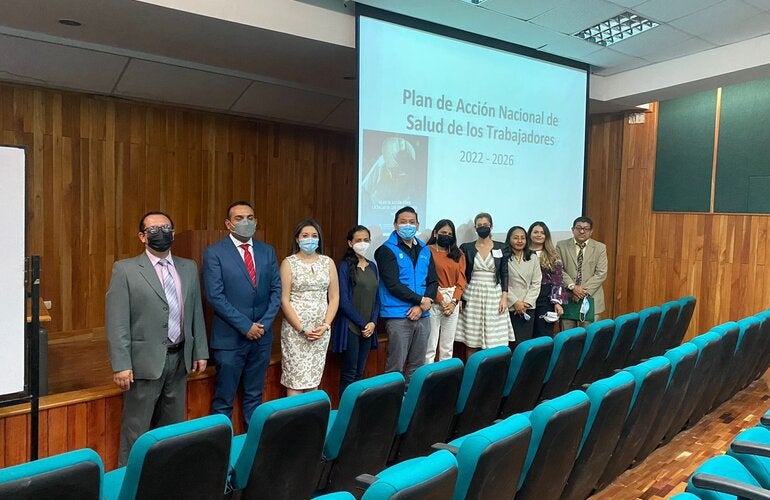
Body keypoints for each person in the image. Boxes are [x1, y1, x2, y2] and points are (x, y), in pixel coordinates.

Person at [106, 211, 208, 466]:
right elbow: (117, 321)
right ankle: (129, 483)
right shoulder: (125, 270)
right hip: (143, 363)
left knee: (172, 430)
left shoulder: (188, 266)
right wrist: (121, 364)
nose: (160, 233)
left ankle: (166, 479)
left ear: (173, 233)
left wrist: (200, 351)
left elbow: (196, 312)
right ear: (142, 237)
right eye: (153, 230)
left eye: (165, 228)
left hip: (180, 358)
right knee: (136, 430)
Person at [202, 201, 281, 429]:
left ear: (255, 221)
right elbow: (215, 296)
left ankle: (253, 453)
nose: (245, 222)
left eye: (250, 217)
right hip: (230, 340)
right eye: (239, 218)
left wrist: (263, 325)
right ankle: (222, 455)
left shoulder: (267, 251)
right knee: (223, 402)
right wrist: (246, 326)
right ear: (228, 224)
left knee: (254, 399)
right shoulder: (214, 253)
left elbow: (276, 290)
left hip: (261, 339)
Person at [374, 206, 438, 385]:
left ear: (418, 225)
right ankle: (391, 406)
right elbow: (393, 284)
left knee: (417, 366)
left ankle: (410, 404)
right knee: (395, 366)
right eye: (403, 222)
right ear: (395, 225)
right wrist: (419, 300)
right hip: (398, 316)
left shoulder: (425, 250)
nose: (407, 225)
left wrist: (421, 305)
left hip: (423, 315)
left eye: (411, 222)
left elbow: (433, 282)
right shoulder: (385, 250)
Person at [280, 219, 339, 396]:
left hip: (321, 330)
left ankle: (312, 422)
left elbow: (335, 297)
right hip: (296, 331)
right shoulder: (288, 263)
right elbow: (284, 300)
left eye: (314, 236)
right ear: (297, 239)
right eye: (305, 236)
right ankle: (295, 422)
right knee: (295, 381)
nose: (310, 239)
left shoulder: (327, 262)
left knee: (314, 380)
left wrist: (326, 325)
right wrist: (302, 328)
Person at [455, 213, 514, 355]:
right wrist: (461, 298)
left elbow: (504, 273)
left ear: (491, 226)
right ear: (475, 228)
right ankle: (472, 374)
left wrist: (504, 297)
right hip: (472, 293)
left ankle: (492, 373)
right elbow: (462, 273)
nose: (482, 228)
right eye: (479, 226)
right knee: (471, 338)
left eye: (485, 225)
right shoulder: (466, 247)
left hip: (493, 293)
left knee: (495, 339)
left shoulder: (501, 247)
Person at [332, 225, 380, 397]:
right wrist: (362, 324)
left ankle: (357, 412)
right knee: (349, 373)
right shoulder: (344, 266)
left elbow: (377, 298)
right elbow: (343, 301)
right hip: (351, 327)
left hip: (369, 328)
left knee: (360, 373)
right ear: (350, 243)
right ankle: (345, 415)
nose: (362, 243)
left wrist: (373, 322)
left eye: (366, 240)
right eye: (358, 240)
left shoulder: (373, 266)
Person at [425, 219, 467, 363]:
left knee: (447, 346)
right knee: (430, 345)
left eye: (450, 233)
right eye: (443, 232)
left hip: (453, 300)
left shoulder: (458, 253)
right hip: (434, 298)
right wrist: (441, 301)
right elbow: (427, 278)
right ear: (435, 233)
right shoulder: (427, 251)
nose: (446, 235)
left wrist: (454, 302)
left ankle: (445, 379)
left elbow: (461, 280)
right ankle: (426, 379)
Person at [556, 216, 608, 329]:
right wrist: (572, 287)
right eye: (578, 228)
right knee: (568, 337)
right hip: (569, 297)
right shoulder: (561, 245)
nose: (582, 231)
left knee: (590, 337)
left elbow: (601, 273)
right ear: (572, 229)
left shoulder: (600, 248)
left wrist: (581, 292)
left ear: (591, 231)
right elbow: (559, 270)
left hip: (591, 298)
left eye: (586, 229)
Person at [528, 221, 567, 337]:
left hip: (545, 299)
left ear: (546, 236)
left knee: (543, 334)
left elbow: (558, 280)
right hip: (526, 297)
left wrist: (557, 302)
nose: (539, 235)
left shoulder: (553, 255)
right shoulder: (522, 253)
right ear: (530, 234)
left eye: (542, 233)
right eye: (535, 232)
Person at [505, 226, 542, 347]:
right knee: (510, 345)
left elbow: (536, 282)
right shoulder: (503, 257)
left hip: (527, 307)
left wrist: (527, 302)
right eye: (516, 238)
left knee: (525, 345)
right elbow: (501, 281)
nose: (520, 241)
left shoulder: (533, 257)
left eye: (523, 238)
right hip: (510, 306)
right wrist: (515, 302)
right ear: (509, 239)